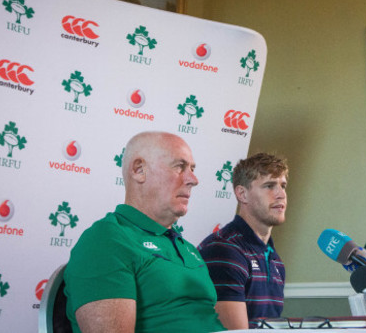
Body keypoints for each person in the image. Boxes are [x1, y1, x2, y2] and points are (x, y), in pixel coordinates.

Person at [64, 131, 224, 333]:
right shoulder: (107, 240)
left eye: (192, 168)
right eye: (180, 167)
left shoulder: (189, 249)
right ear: (139, 170)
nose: (193, 179)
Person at [198, 153, 288, 329]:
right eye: (269, 186)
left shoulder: (275, 259)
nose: (281, 194)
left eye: (283, 186)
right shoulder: (223, 249)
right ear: (242, 194)